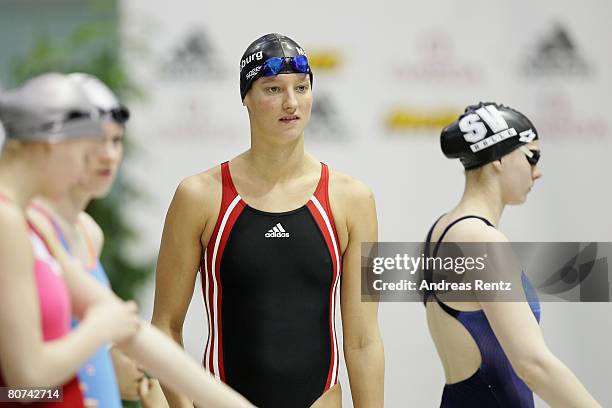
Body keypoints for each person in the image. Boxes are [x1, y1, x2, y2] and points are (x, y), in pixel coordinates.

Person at [152, 33, 384, 408]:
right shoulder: (199, 197)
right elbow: (164, 327)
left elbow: (364, 339)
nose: (291, 103)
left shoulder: (354, 200)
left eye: (302, 87)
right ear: (246, 97)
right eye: (273, 88)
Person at [0, 72, 254, 408]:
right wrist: (97, 335)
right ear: (53, 144)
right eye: (86, 152)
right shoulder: (9, 221)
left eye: (114, 143)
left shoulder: (30, 225)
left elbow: (128, 327)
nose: (96, 162)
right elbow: (24, 380)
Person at [423, 102, 600, 407]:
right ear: (499, 158)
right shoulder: (480, 239)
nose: (538, 171)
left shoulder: (443, 229)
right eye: (532, 157)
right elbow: (532, 365)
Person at [27, 72, 167, 408]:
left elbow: (88, 335)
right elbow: (15, 389)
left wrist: (110, 359)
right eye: (95, 142)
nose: (107, 155)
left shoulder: (90, 234)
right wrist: (66, 397)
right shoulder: (26, 229)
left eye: (116, 141)